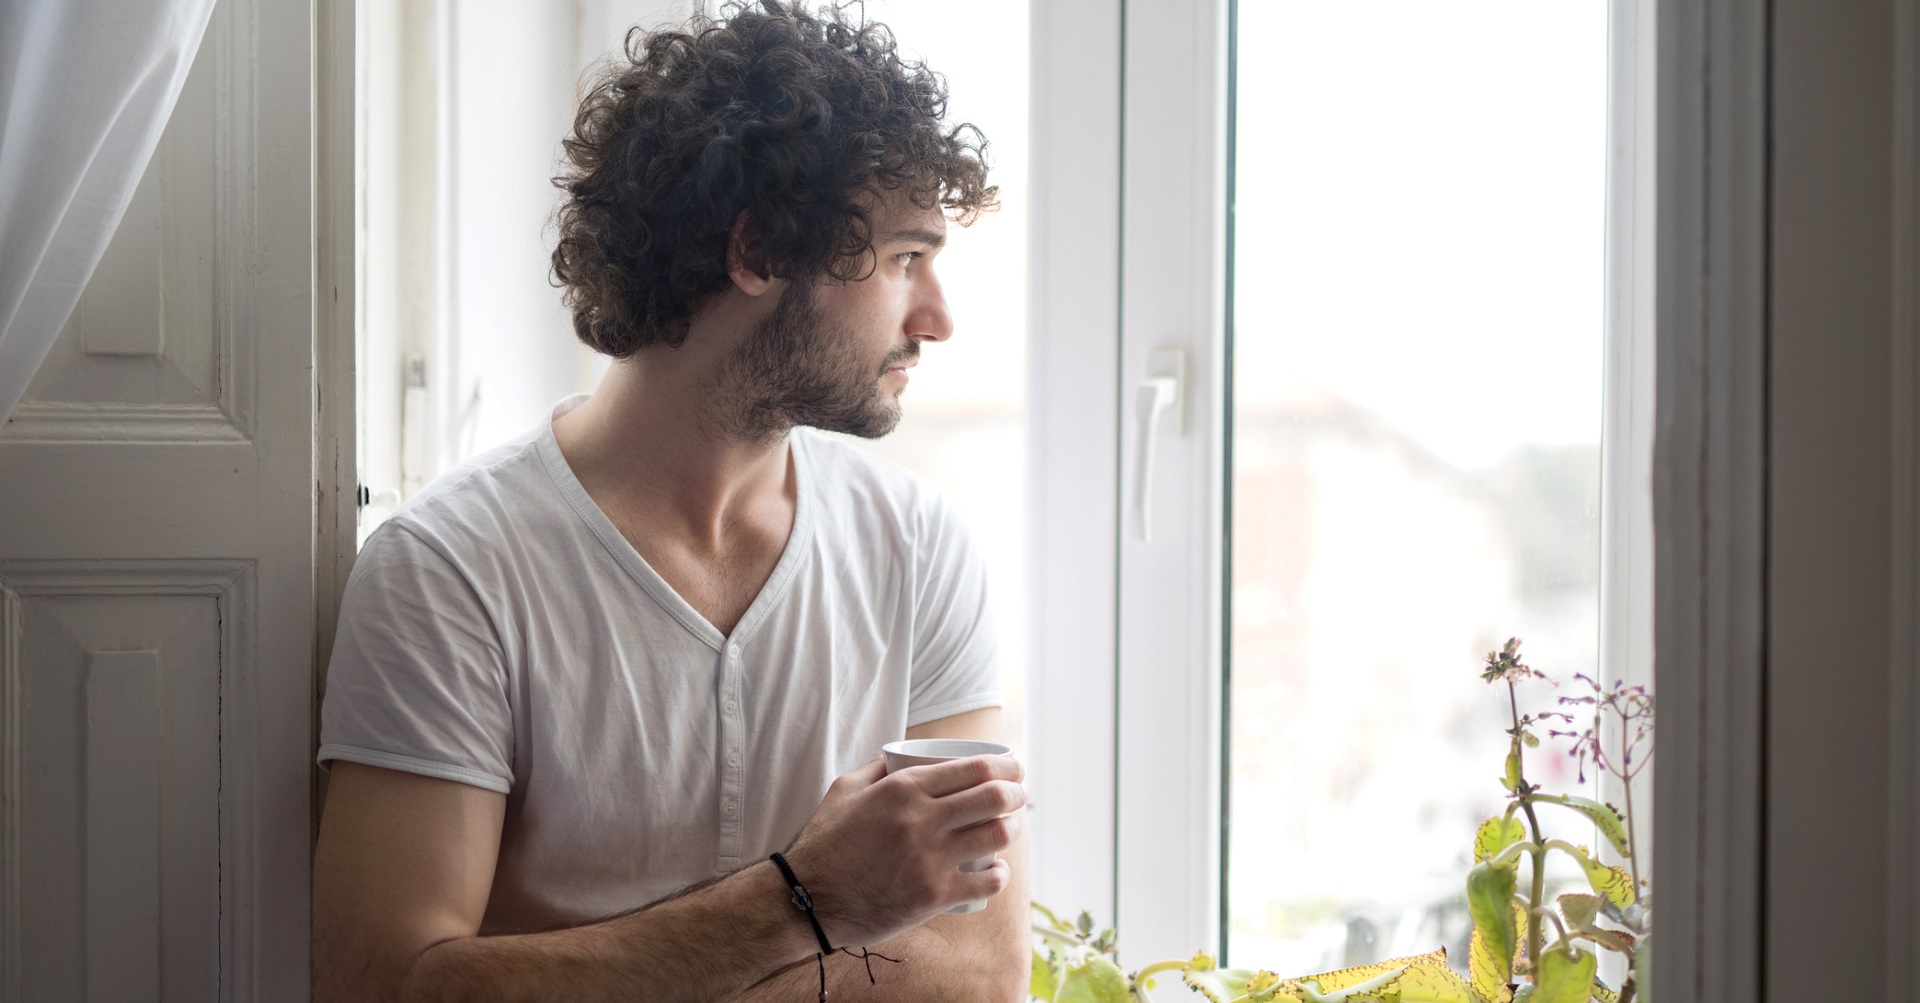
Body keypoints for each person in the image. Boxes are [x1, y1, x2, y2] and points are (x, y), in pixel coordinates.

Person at [310, 3, 1030, 1000]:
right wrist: (806, 901)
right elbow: (381, 985)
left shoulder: (921, 550)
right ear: (759, 254)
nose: (938, 318)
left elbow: (980, 973)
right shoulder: (449, 571)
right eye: (907, 258)